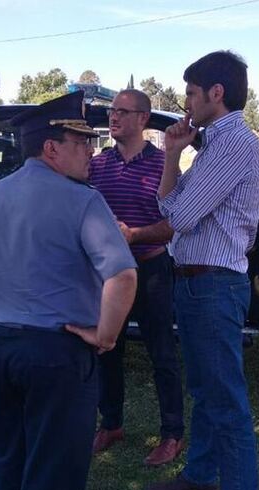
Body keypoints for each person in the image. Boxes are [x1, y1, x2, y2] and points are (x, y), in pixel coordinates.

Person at [0, 91, 138, 490]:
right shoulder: (83, 200)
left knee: (9, 462)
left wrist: (2, 321)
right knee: (55, 476)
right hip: (56, 353)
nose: (90, 152)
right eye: (81, 143)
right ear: (51, 148)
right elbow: (123, 275)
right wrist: (106, 337)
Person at [146, 51, 259, 490]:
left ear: (217, 93)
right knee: (206, 391)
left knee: (227, 405)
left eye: (192, 93)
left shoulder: (235, 143)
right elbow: (170, 207)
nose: (186, 102)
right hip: (198, 282)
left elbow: (180, 214)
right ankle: (199, 477)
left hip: (212, 285)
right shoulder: (214, 143)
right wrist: (174, 154)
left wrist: (172, 161)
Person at [88, 89, 185, 465]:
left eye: (123, 113)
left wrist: (134, 235)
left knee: (162, 353)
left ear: (143, 119)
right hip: (108, 272)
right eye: (112, 112)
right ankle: (110, 423)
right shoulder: (98, 165)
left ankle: (172, 434)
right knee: (106, 348)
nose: (114, 119)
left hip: (151, 269)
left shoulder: (164, 165)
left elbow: (173, 224)